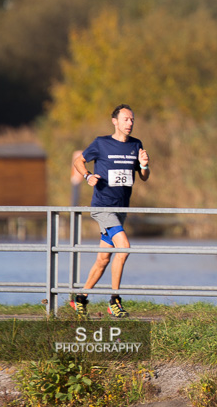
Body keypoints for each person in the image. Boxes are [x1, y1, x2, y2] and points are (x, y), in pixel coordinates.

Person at [70, 104, 150, 319]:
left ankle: (80, 299)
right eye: (126, 119)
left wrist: (144, 165)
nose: (130, 123)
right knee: (124, 248)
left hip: (121, 208)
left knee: (103, 259)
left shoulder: (136, 145)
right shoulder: (101, 143)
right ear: (115, 121)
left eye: (132, 120)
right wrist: (88, 176)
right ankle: (115, 300)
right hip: (103, 207)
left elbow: (143, 177)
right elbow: (79, 161)